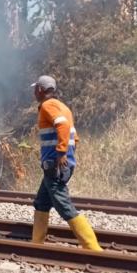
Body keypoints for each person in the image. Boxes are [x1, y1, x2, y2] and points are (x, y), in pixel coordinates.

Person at [30, 75, 102, 251]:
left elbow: (62, 126)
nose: (34, 92)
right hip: (58, 165)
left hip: (55, 165)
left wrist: (61, 154)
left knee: (64, 206)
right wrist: (69, 157)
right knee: (41, 202)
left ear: (40, 89)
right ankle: (36, 244)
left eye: (35, 89)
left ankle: (93, 248)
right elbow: (75, 137)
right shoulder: (64, 107)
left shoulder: (48, 106)